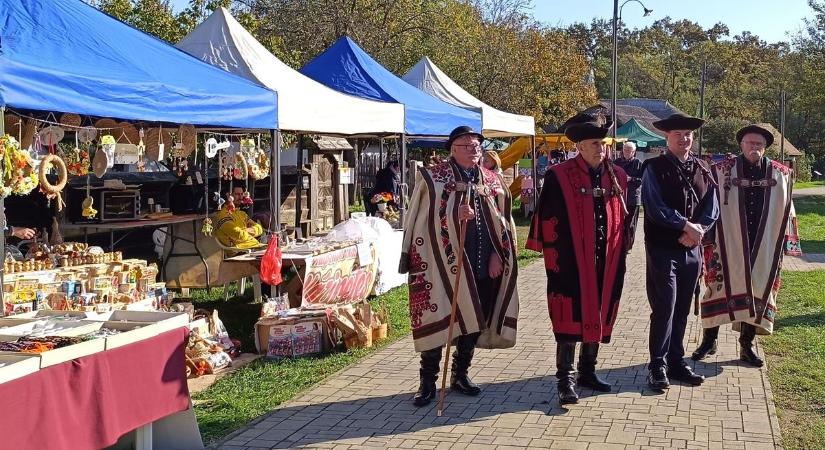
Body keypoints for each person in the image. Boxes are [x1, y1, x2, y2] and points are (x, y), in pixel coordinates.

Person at [399, 126, 520, 407]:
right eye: (466, 144)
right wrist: (454, 215)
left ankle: (460, 374)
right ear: (452, 149)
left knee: (474, 320)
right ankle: (427, 381)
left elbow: (502, 222)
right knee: (439, 316)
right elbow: (421, 219)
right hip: (442, 267)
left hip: (482, 264)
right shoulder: (433, 178)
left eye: (476, 144)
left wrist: (497, 256)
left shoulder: (491, 180)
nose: (473, 148)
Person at [527, 118, 628, 404]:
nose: (601, 149)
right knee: (569, 315)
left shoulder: (617, 175)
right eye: (595, 144)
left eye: (604, 143)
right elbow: (547, 218)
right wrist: (553, 259)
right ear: (580, 146)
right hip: (569, 262)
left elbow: (623, 215)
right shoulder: (559, 175)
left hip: (606, 259)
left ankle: (587, 371)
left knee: (599, 308)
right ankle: (565, 379)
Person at [691, 124, 796, 367]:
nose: (754, 148)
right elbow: (706, 204)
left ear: (765, 147)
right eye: (750, 143)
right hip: (726, 242)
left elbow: (789, 210)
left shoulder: (780, 175)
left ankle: (746, 345)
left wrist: (788, 242)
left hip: (763, 243)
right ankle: (709, 340)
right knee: (718, 287)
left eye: (759, 144)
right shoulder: (720, 171)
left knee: (757, 288)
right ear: (741, 145)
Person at [642, 113, 719, 390]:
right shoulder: (654, 167)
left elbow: (712, 206)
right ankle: (657, 365)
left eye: (687, 134)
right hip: (663, 249)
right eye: (678, 134)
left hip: (691, 250)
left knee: (683, 308)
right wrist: (686, 225)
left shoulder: (704, 168)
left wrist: (697, 231)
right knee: (664, 308)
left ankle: (676, 361)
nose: (684, 138)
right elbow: (654, 207)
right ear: (667, 137)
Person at [212, 185, 264, 249]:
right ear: (229, 195)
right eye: (237, 194)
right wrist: (251, 231)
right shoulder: (223, 215)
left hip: (255, 246)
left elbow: (260, 229)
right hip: (241, 251)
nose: (241, 197)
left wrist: (244, 230)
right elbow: (241, 236)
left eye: (242, 194)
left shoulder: (242, 213)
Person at [614, 142, 643, 251]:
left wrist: (631, 179)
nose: (626, 152)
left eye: (629, 150)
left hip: (632, 198)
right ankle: (618, 244)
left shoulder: (638, 163)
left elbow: (642, 180)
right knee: (618, 222)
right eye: (625, 149)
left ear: (633, 152)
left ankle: (627, 246)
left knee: (630, 224)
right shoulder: (616, 163)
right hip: (618, 198)